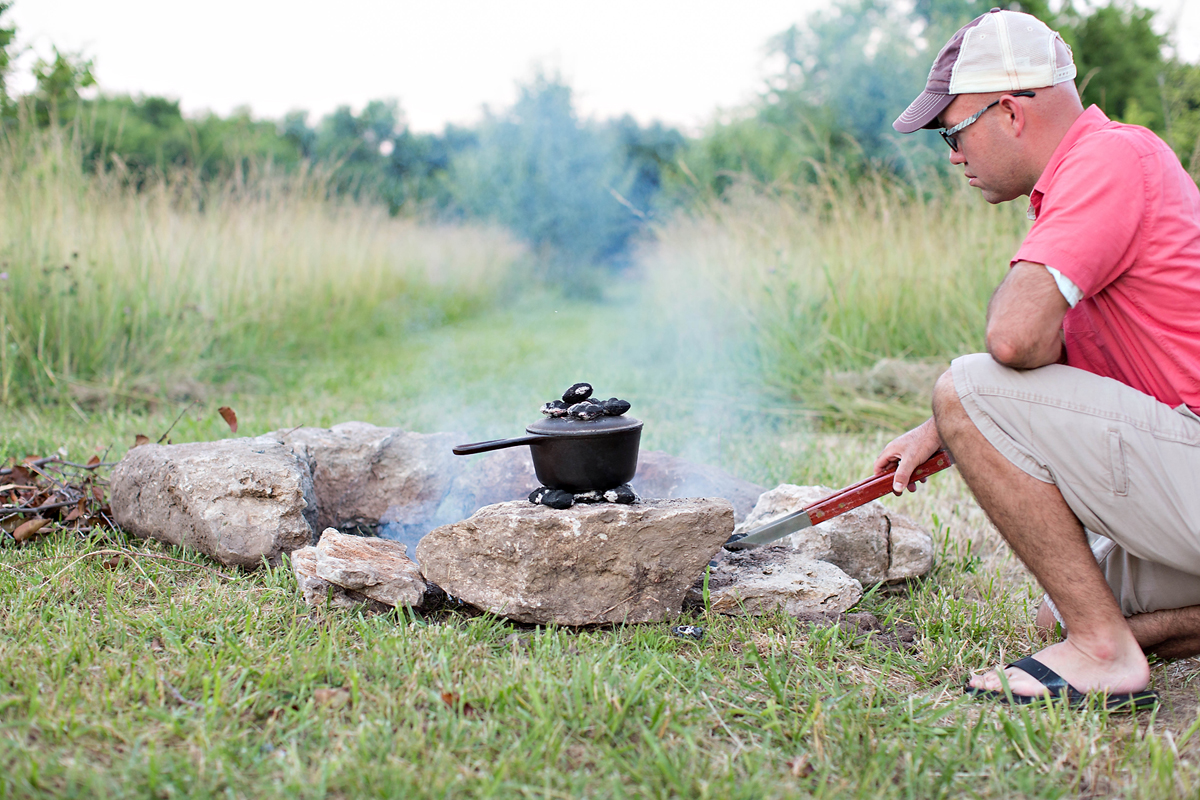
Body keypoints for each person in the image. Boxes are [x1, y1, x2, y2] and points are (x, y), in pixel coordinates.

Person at [880, 8, 1200, 707]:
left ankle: (1103, 654)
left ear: (1010, 112)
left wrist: (961, 411)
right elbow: (1072, 365)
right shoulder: (1097, 172)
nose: (953, 155)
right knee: (1066, 606)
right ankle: (1096, 633)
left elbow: (1014, 340)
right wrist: (948, 434)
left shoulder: (1107, 158)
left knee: (966, 386)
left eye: (952, 132)